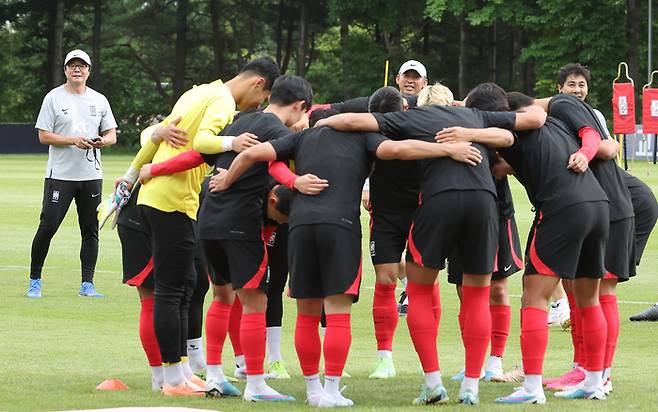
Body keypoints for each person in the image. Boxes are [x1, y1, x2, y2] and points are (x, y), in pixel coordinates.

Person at [211, 107, 486, 408]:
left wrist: (227, 181)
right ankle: (331, 390)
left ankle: (313, 390)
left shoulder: (300, 138)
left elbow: (252, 155)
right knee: (337, 312)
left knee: (307, 313)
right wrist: (446, 149)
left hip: (301, 226)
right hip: (339, 227)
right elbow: (397, 149)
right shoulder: (363, 138)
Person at [315, 94, 544, 405]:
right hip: (483, 202)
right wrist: (471, 134)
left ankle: (433, 383)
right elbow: (514, 132)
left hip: (439, 201)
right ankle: (472, 387)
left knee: (419, 289)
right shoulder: (476, 116)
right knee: (478, 294)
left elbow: (355, 120)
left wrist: (322, 123)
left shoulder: (413, 118)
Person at [116, 56, 281, 397]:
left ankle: (177, 374)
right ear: (258, 84)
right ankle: (173, 381)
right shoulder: (221, 101)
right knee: (171, 290)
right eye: (263, 99)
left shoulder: (198, 92)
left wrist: (132, 174)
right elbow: (205, 142)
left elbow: (157, 136)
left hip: (156, 196)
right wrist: (232, 143)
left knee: (183, 285)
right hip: (172, 200)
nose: (258, 106)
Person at [196, 74, 313, 402]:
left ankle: (215, 376)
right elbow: (274, 168)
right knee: (255, 302)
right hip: (240, 222)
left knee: (221, 297)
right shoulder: (277, 132)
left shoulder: (241, 120)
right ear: (299, 106)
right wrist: (296, 181)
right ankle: (257, 384)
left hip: (208, 218)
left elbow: (208, 154)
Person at [495, 91, 609, 404]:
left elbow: (496, 142)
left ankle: (531, 388)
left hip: (561, 208)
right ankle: (594, 382)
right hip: (598, 205)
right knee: (588, 299)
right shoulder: (558, 124)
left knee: (534, 294)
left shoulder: (512, 132)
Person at [27, 49, 117, 299]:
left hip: (91, 175)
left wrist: (102, 141)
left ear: (89, 70)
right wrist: (72, 141)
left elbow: (112, 135)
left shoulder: (99, 100)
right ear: (65, 70)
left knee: (90, 230)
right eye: (72, 65)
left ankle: (87, 284)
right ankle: (35, 280)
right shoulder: (53, 98)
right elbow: (43, 135)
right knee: (48, 226)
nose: (77, 69)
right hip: (61, 175)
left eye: (82, 66)